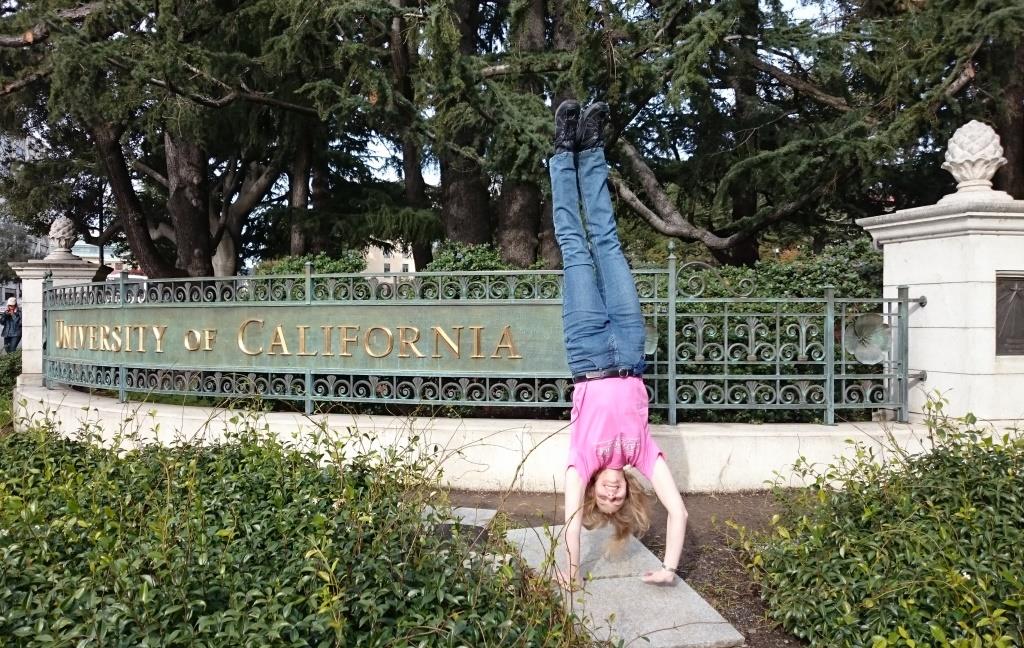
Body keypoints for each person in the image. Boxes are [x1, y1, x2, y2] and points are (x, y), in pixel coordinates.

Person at [550, 99, 688, 588]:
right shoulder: (642, 453)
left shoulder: (581, 461)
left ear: (593, 491)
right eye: (616, 500)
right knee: (606, 240)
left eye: (602, 500)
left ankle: (562, 151)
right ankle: (591, 148)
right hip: (629, 351)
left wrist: (571, 571)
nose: (609, 495)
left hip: (587, 351)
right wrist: (670, 569)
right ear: (628, 492)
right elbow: (678, 511)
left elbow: (569, 520)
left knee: (574, 246)